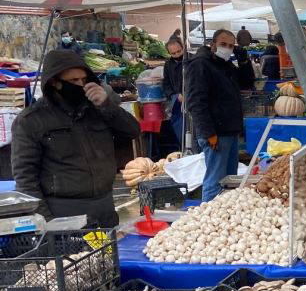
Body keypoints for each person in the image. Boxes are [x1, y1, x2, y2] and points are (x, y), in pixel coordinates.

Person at [11, 49, 140, 227]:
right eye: (73, 80)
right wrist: (46, 221)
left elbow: (132, 131)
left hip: (104, 209)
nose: (80, 85)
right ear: (55, 82)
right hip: (63, 213)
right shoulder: (31, 121)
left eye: (84, 80)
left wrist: (107, 105)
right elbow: (25, 179)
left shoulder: (97, 108)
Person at [187, 29, 244, 202]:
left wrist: (244, 60)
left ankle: (227, 212)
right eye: (223, 44)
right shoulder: (200, 65)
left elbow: (246, 81)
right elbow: (196, 103)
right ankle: (208, 213)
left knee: (230, 181)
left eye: (231, 46)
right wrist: (209, 133)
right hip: (215, 133)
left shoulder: (225, 65)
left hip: (229, 130)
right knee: (215, 181)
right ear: (213, 45)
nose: (227, 48)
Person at [162, 36, 189, 150]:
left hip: (191, 100)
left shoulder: (190, 60)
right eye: (173, 53)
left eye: (179, 51)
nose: (177, 55)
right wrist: (175, 95)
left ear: (183, 48)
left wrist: (188, 94)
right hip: (177, 102)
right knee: (180, 129)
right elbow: (166, 83)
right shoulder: (168, 64)